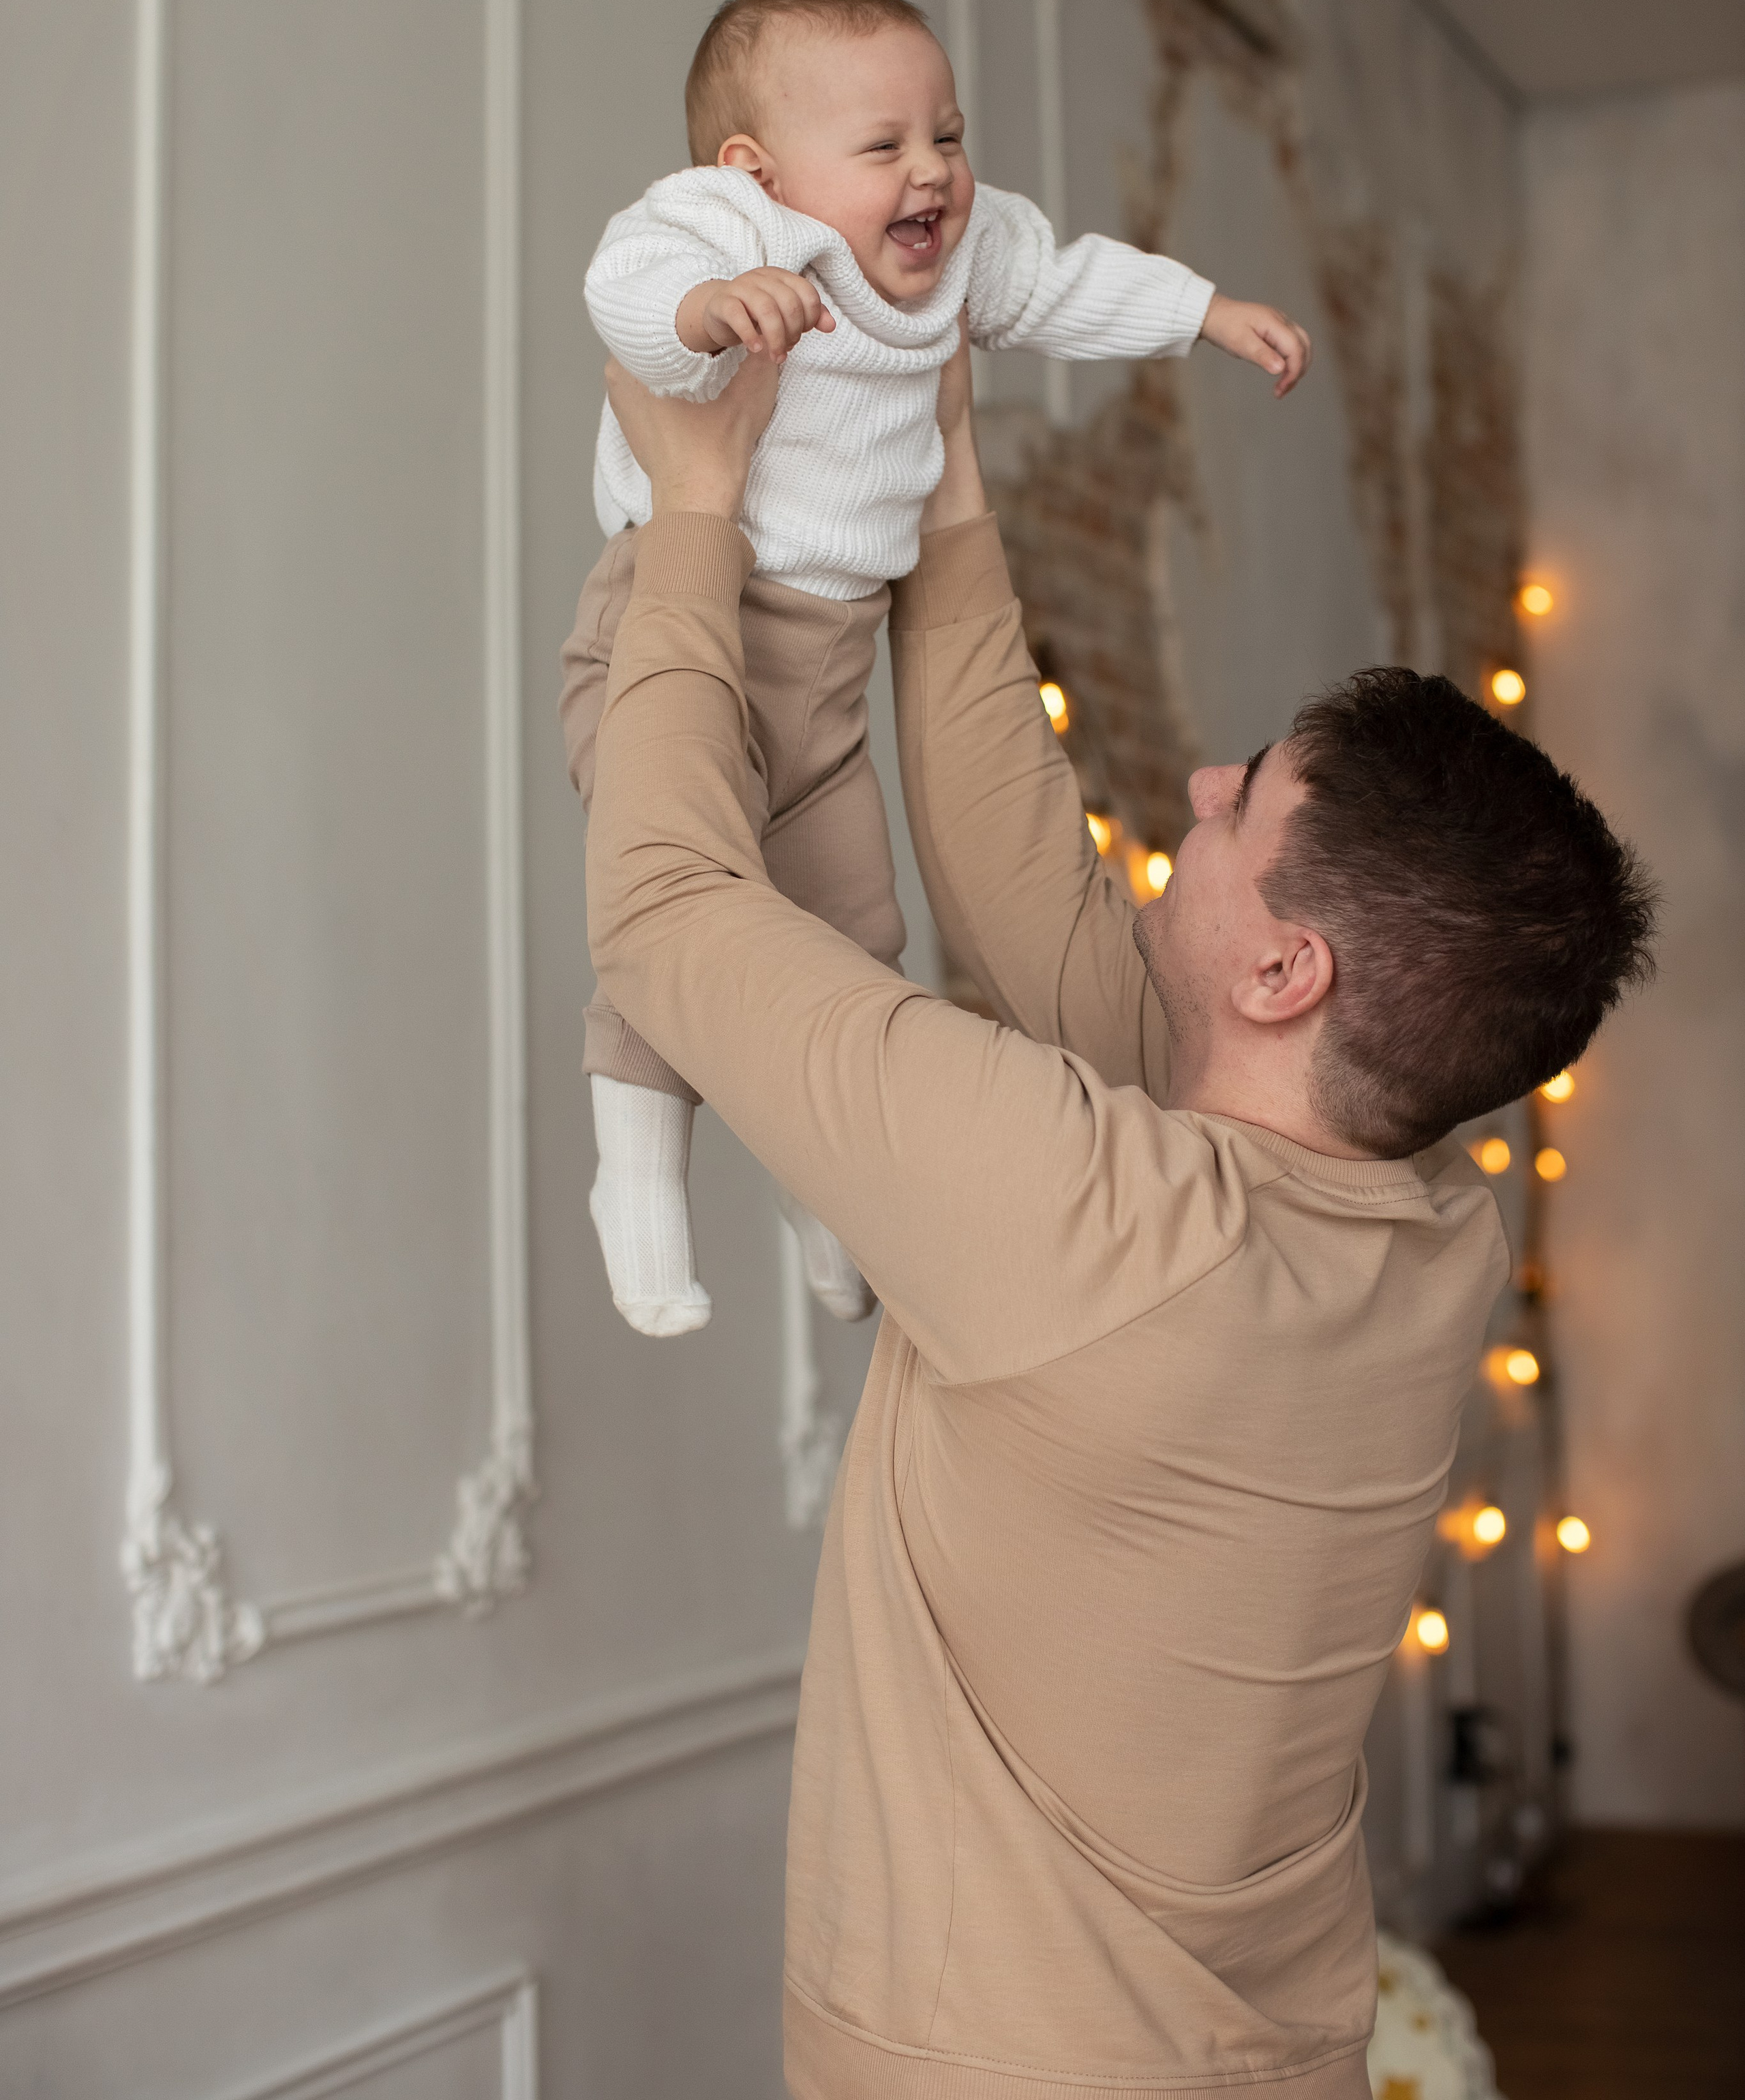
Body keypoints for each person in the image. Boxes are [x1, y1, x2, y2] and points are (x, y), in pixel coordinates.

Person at [568, 336, 1655, 2100]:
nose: (1203, 792)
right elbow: (1035, 898)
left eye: (1246, 794)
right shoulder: (1426, 1229)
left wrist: (694, 507)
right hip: (1266, 2055)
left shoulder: (1089, 1212)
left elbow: (665, 903)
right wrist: (943, 471)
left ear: (1286, 971)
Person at [564, 0, 1311, 1337]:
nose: (934, 173)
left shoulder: (962, 252)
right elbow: (625, 285)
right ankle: (639, 1185)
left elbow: (1067, 278)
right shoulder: (730, 228)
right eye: (884, 146)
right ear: (756, 170)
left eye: (947, 136)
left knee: (852, 932)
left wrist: (1203, 312)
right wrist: (708, 310)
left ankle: (823, 1190)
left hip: (829, 664)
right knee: (675, 911)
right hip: (671, 617)